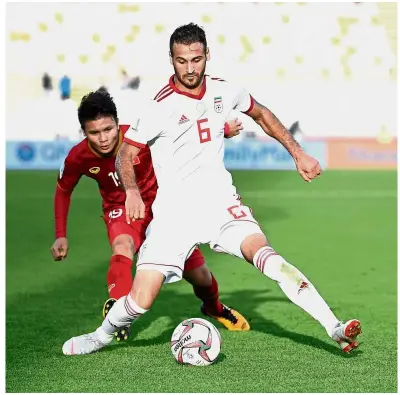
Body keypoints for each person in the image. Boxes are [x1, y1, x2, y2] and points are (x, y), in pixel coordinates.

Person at [62, 23, 361, 356]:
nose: (190, 69)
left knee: (271, 260)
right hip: (174, 214)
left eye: (196, 59)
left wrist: (297, 152)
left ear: (207, 56)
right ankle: (99, 336)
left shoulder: (225, 90)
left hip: (220, 203)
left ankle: (334, 326)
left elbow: (260, 113)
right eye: (181, 61)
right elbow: (125, 156)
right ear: (171, 60)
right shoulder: (159, 106)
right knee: (141, 300)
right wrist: (131, 190)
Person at [52, 89, 248, 342]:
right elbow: (63, 190)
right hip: (121, 209)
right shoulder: (77, 156)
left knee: (201, 277)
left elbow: (186, 133)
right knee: (122, 245)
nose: (102, 138)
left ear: (117, 123)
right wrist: (60, 235)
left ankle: (214, 308)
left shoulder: (139, 136)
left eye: (108, 129)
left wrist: (223, 131)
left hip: (163, 210)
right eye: (94, 133)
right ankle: (118, 310)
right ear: (84, 132)